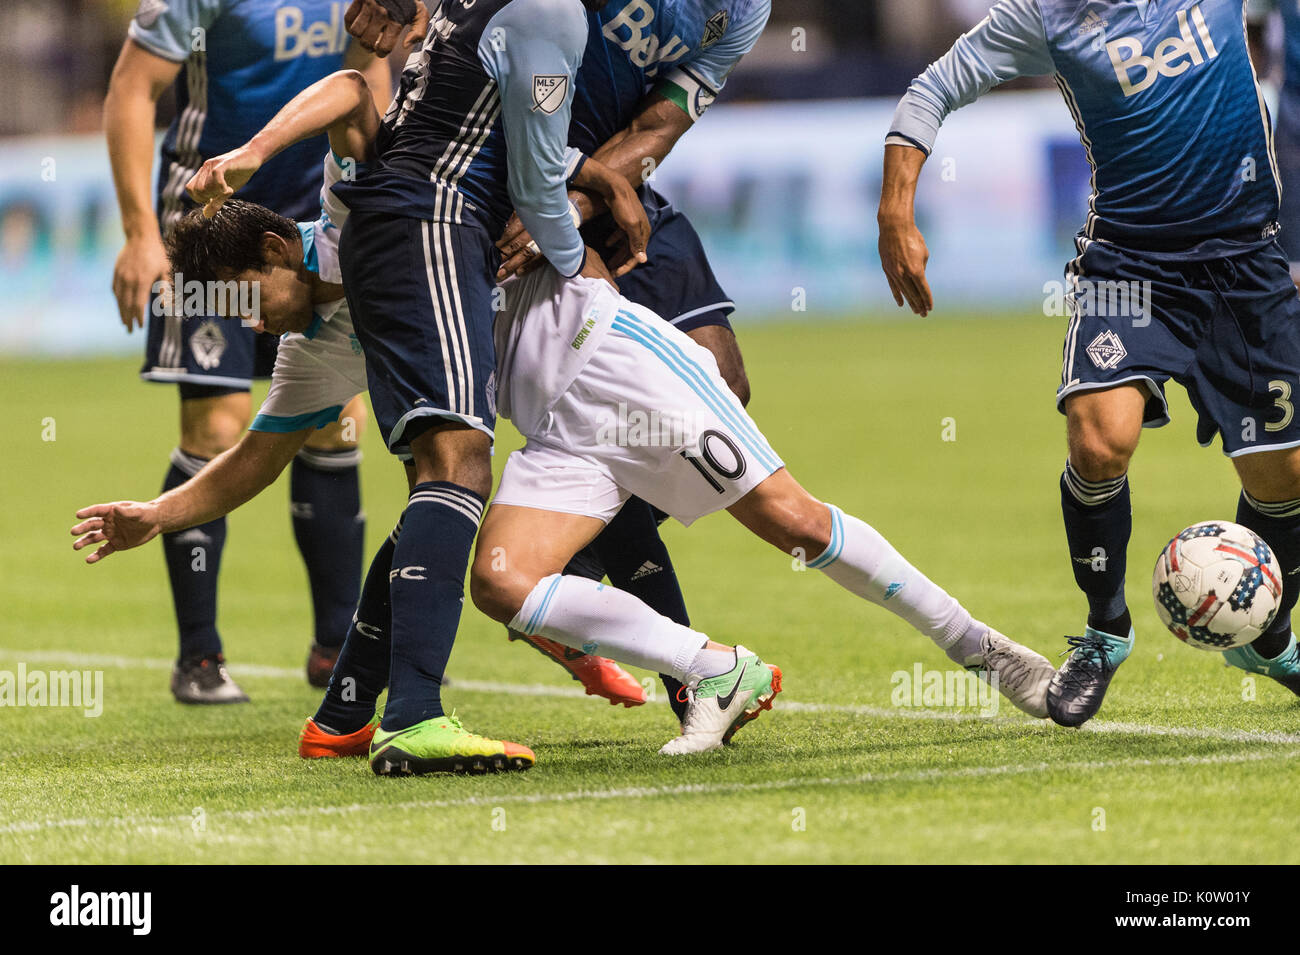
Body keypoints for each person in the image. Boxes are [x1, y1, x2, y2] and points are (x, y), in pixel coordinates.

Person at [347, 0, 772, 725]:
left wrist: (580, 204)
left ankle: (569, 561)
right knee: (449, 463)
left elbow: (657, 125)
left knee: (720, 389)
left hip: (603, 179)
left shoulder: (745, 10)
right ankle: (359, 693)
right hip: (503, 168)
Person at [878, 0, 1300, 727]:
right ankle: (1106, 631)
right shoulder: (1042, 17)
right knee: (1100, 439)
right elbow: (931, 89)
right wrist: (895, 211)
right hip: (1133, 268)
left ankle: (1263, 636)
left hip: (1246, 262)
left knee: (1285, 477)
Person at [104, 0, 391, 700]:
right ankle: (199, 657)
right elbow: (132, 90)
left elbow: (370, 70)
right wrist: (143, 232)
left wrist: (379, 190)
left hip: (312, 223)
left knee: (333, 420)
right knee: (217, 425)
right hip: (209, 230)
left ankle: (336, 646)